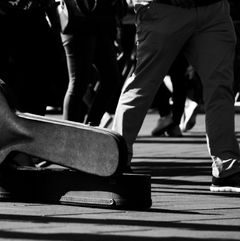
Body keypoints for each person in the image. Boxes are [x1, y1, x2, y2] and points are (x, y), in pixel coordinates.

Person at [112, 0, 240, 193]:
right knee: (144, 83)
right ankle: (114, 160)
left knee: (220, 88)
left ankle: (227, 167)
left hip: (213, 9)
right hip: (163, 7)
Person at [58, 0, 126, 126]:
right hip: (78, 19)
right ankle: (69, 135)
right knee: (79, 83)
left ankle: (91, 126)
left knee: (111, 78)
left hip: (99, 21)